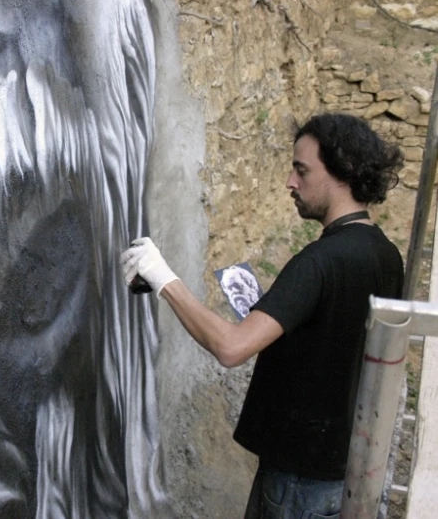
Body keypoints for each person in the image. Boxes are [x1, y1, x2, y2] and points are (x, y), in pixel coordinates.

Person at [121, 113, 404, 519]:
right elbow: (335, 338)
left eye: (302, 170)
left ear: (346, 172)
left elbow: (231, 348)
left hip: (298, 489)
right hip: (346, 478)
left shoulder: (319, 262)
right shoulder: (385, 254)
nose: (291, 182)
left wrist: (162, 276)